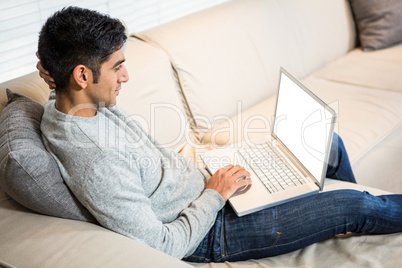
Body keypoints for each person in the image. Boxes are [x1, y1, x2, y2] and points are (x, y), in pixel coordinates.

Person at [37, 6, 402, 263]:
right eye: (117, 67)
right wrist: (214, 195)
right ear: (83, 77)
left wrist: (52, 68)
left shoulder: (71, 103)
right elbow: (162, 247)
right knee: (353, 206)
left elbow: (61, 82)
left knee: (329, 147)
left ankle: (336, 220)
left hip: (208, 184)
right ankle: (350, 214)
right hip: (214, 231)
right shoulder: (95, 160)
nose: (126, 77)